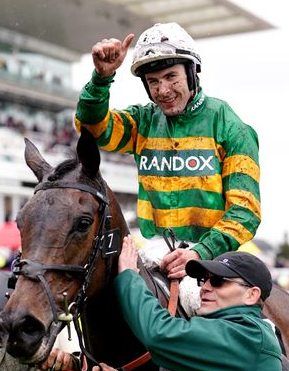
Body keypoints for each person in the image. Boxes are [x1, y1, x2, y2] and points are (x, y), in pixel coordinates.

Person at [75, 22, 262, 280]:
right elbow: (92, 129)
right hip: (153, 252)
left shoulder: (233, 129)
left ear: (192, 72)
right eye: (153, 81)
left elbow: (245, 211)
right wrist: (101, 79)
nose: (163, 90)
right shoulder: (143, 122)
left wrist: (200, 252)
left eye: (171, 77)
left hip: (212, 258)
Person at [85, 235, 281, 371]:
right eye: (203, 280)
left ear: (251, 295)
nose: (205, 287)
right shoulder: (205, 344)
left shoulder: (250, 334)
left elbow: (158, 333)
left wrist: (129, 277)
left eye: (218, 281)